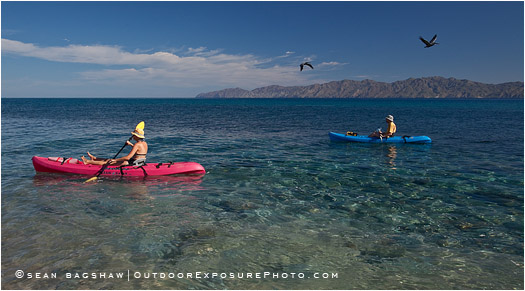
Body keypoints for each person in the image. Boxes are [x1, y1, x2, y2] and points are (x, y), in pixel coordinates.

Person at [82, 127, 148, 166]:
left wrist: (115, 160)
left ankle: (87, 161)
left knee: (108, 162)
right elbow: (139, 151)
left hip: (132, 162)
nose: (133, 137)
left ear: (137, 136)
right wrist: (131, 145)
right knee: (109, 159)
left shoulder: (137, 144)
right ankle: (94, 158)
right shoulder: (144, 143)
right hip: (140, 162)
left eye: (134, 135)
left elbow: (128, 157)